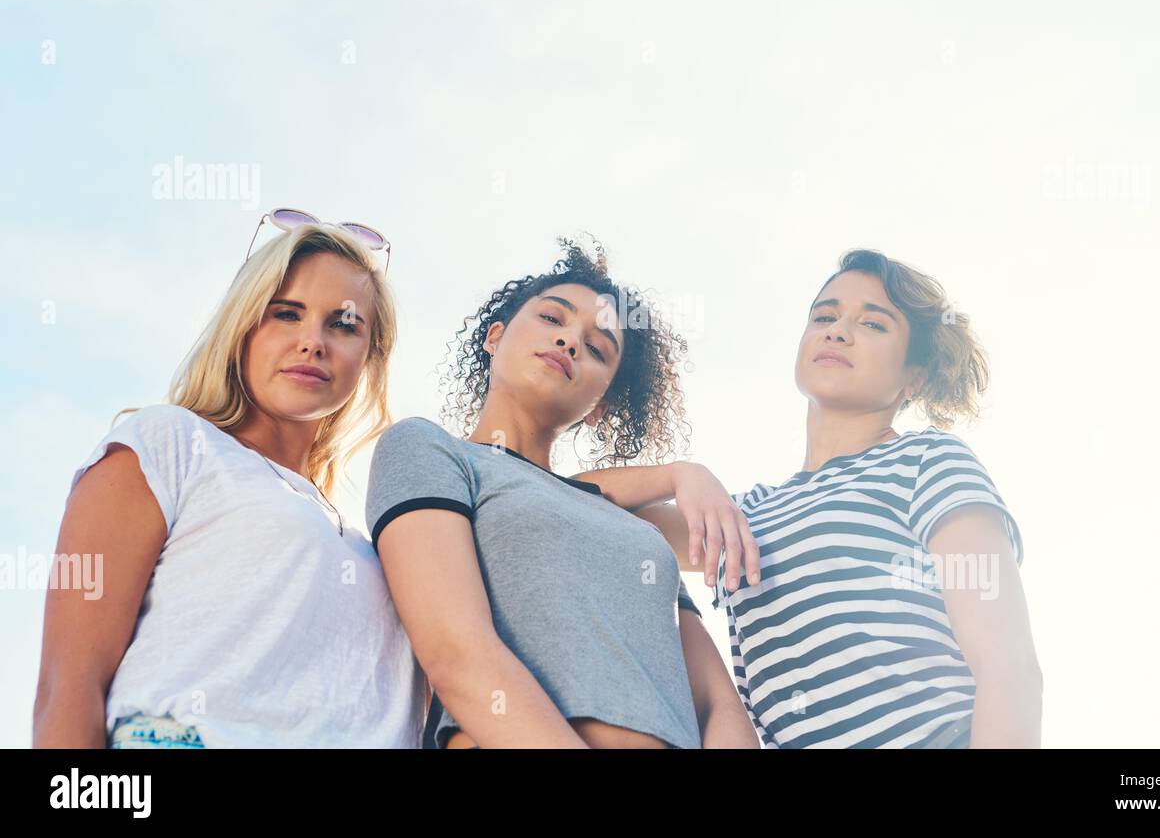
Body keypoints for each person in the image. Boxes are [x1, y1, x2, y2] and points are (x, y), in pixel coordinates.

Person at [579, 249, 1043, 747]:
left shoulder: (929, 461)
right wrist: (679, 475)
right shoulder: (745, 516)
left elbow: (1008, 669)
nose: (837, 330)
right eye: (825, 316)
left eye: (874, 324)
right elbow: (577, 501)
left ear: (915, 378)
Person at [32, 213, 424, 748]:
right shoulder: (169, 443)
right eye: (286, 314)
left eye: (344, 323)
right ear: (243, 326)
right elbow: (68, 685)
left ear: (370, 356)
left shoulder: (378, 549)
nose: (313, 342)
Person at [365, 237, 756, 748]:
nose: (571, 342)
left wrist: (686, 472)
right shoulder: (431, 450)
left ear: (599, 406)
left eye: (596, 349)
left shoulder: (635, 533)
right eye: (553, 319)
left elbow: (718, 703)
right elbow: (457, 653)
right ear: (494, 336)